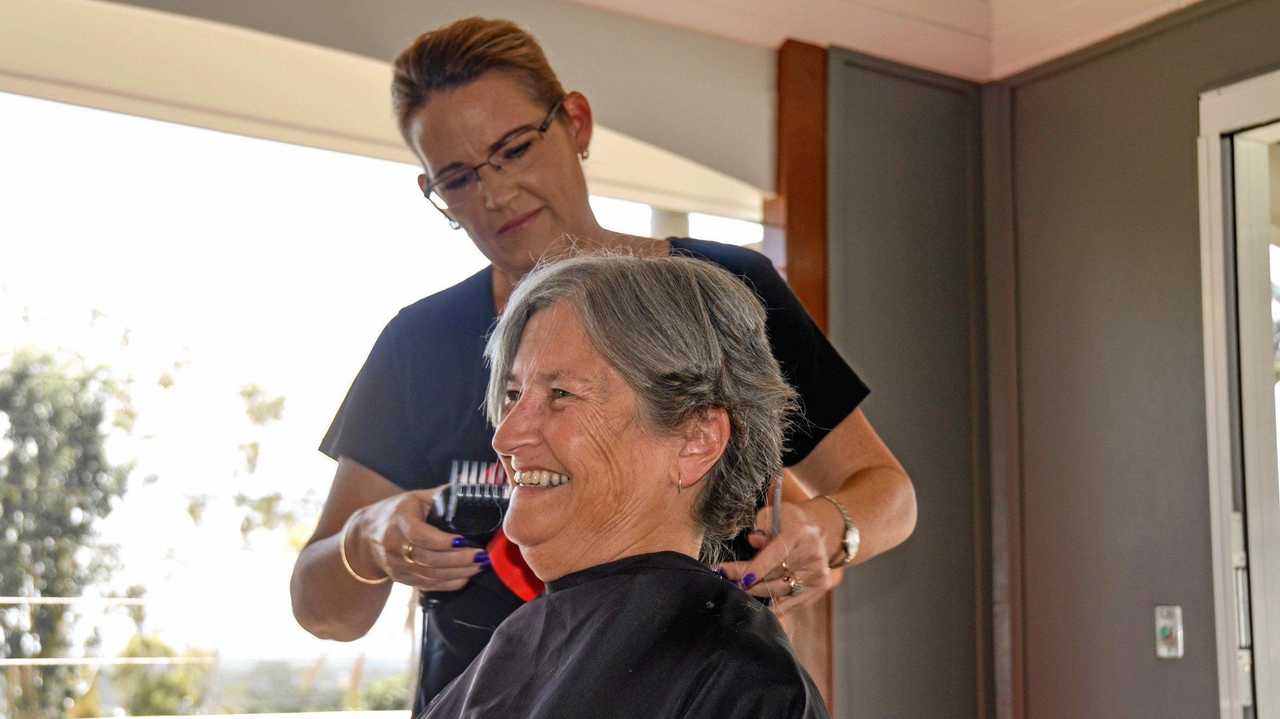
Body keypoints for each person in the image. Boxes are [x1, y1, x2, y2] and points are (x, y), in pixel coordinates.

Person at [288, 16, 916, 713]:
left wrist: (827, 529)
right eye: (458, 178)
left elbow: (887, 492)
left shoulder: (722, 293)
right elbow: (325, 610)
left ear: (576, 124)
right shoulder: (420, 344)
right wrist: (368, 538)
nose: (495, 194)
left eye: (515, 149)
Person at [422, 252, 827, 718]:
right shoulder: (513, 650)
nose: (506, 435)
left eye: (561, 395)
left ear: (696, 441)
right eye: (513, 395)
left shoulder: (739, 682)